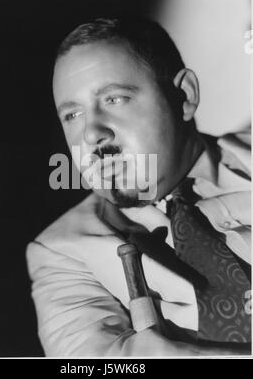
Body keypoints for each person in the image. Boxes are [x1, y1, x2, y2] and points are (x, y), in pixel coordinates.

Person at [27, 18, 251, 356]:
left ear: (184, 96)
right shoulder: (61, 253)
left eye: (115, 99)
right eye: (72, 116)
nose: (91, 133)